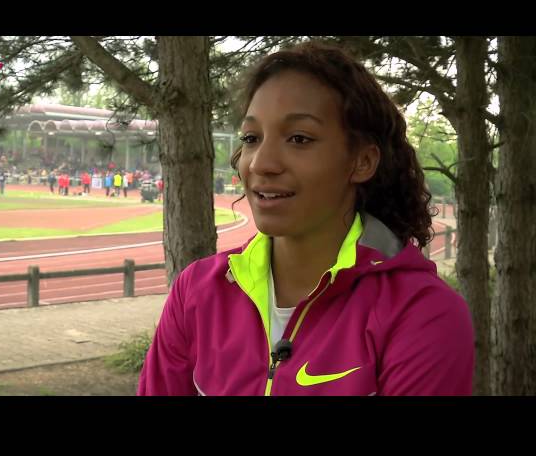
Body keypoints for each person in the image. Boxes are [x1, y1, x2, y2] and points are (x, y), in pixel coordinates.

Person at [138, 42, 474, 396]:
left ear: (362, 162)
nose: (260, 163)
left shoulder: (422, 314)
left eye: (299, 138)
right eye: (251, 138)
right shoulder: (197, 292)